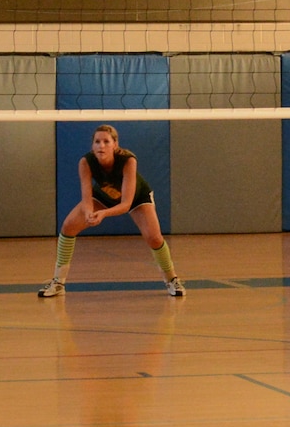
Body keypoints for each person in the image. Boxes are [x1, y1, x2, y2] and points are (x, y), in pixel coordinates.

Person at [36, 124, 185, 298]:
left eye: (106, 141)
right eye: (97, 142)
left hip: (137, 198)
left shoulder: (128, 161)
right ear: (92, 146)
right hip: (103, 196)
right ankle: (58, 282)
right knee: (68, 226)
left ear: (115, 144)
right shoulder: (86, 162)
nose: (101, 146)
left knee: (154, 237)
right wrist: (89, 214)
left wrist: (104, 214)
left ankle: (171, 279)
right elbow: (86, 197)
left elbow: (126, 204)